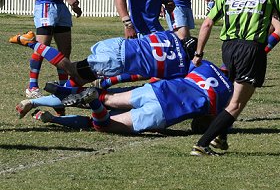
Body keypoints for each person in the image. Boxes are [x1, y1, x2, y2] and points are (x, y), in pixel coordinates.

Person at [16, 60, 233, 141]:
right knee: (104, 124)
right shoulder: (229, 92)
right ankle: (68, 114)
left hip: (156, 90)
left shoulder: (206, 66)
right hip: (165, 111)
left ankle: (35, 102)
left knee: (105, 97)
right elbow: (206, 122)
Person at [190, 0, 280, 156]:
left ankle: (221, 137)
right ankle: (202, 144)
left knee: (233, 96)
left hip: (228, 49)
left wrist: (198, 54)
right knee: (237, 104)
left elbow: (207, 23)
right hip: (251, 49)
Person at [10, 30, 198, 88]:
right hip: (118, 59)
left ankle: (54, 99)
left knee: (81, 79)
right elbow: (143, 77)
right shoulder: (179, 66)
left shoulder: (168, 35)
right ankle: (32, 43)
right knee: (72, 69)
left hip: (117, 44)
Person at [9, 0, 82, 99]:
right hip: (46, 5)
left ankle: (64, 86)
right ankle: (32, 87)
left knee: (65, 51)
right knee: (42, 47)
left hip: (61, 6)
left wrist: (74, 5)